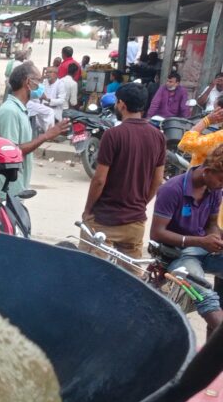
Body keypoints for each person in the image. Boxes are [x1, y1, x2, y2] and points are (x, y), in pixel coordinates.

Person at [81, 83, 166, 259]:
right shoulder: (158, 136)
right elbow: (158, 180)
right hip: (135, 222)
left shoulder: (113, 135)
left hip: (104, 219)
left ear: (121, 104)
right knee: (129, 272)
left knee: (90, 269)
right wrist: (141, 204)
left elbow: (99, 180)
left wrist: (88, 210)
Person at [150, 145, 223, 336]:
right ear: (207, 171)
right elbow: (157, 233)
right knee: (206, 297)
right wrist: (201, 242)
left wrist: (215, 237)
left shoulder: (214, 189)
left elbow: (211, 224)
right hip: (177, 254)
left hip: (202, 248)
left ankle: (213, 346)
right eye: (221, 180)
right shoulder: (171, 189)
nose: (222, 185)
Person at [0, 62, 69, 196]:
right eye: (38, 81)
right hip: (6, 192)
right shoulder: (10, 111)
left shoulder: (20, 109)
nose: (41, 86)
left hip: (15, 189)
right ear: (28, 82)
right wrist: (45, 136)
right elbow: (11, 152)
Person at [178, 98, 223, 166]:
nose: (211, 113)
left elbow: (184, 144)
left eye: (214, 111)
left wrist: (206, 121)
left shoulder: (220, 136)